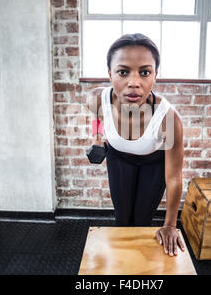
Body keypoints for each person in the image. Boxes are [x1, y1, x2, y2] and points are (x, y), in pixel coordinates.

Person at [86, 33, 184, 257]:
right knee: (122, 221)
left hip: (154, 163)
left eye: (145, 72)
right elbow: (96, 116)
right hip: (119, 157)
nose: (134, 82)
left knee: (141, 222)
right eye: (123, 72)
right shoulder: (95, 99)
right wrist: (97, 138)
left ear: (155, 75)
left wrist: (170, 225)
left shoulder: (168, 119)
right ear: (109, 73)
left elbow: (174, 177)